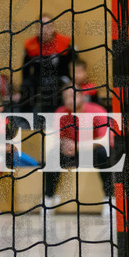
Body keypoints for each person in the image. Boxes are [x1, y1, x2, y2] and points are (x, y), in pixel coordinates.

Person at [43, 81, 115, 219]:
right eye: (66, 97)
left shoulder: (97, 111)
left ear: (82, 96)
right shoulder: (61, 113)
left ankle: (109, 199)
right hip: (73, 155)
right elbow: (56, 139)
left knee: (104, 153)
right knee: (52, 154)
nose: (69, 100)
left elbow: (105, 140)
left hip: (93, 153)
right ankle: (49, 198)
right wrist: (64, 145)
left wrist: (77, 146)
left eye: (73, 96)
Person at [18, 14, 75, 114]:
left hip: (60, 78)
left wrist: (73, 81)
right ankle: (24, 120)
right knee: (26, 86)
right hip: (37, 79)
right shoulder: (30, 45)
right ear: (37, 29)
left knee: (56, 88)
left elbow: (75, 64)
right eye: (41, 27)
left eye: (48, 26)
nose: (45, 30)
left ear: (53, 28)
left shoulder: (65, 43)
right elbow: (25, 69)